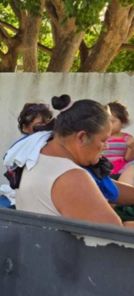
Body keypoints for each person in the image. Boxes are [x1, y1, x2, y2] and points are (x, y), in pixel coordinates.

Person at [15, 95, 134, 227]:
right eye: (103, 140)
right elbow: (115, 235)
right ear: (81, 137)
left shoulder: (37, 153)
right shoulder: (71, 177)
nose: (107, 146)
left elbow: (107, 187)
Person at [103, 101, 134, 178]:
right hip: (104, 170)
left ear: (123, 123)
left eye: (112, 121)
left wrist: (132, 147)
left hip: (121, 171)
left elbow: (128, 159)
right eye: (105, 121)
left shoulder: (127, 138)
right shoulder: (102, 137)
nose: (108, 124)